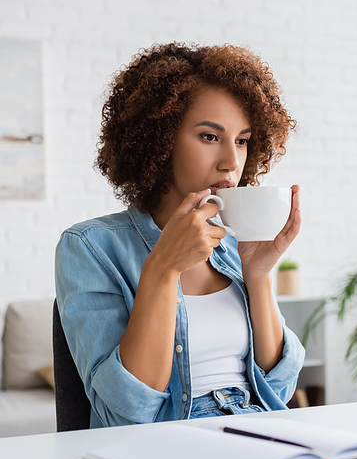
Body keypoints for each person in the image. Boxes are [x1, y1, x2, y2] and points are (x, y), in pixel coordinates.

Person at [55, 42, 305, 428]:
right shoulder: (90, 247)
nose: (232, 161)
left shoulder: (234, 244)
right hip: (167, 444)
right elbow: (128, 410)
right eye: (209, 136)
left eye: (242, 140)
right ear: (159, 139)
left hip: (260, 427)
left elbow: (279, 388)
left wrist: (258, 277)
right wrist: (162, 268)